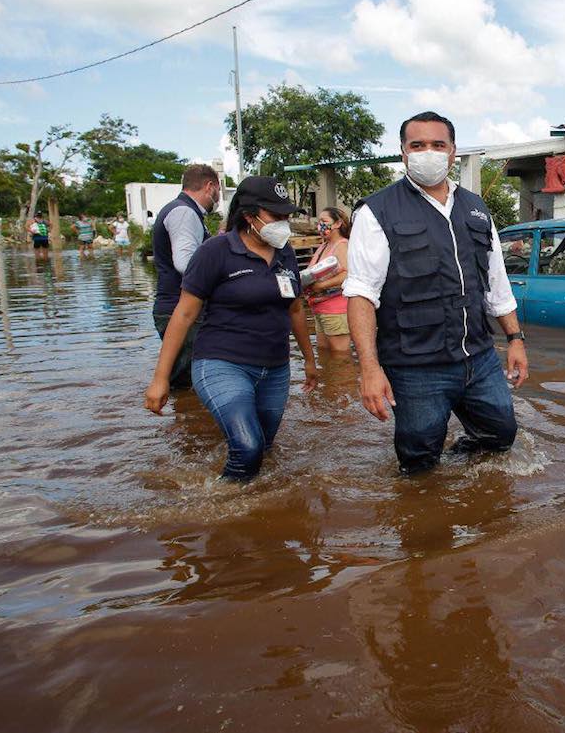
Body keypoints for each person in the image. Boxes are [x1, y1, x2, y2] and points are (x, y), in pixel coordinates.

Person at [344, 111, 528, 475]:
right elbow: (361, 294)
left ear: (452, 151)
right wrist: (369, 368)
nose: (428, 152)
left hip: (478, 357)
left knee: (501, 434)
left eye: (437, 145)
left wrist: (516, 338)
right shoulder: (376, 211)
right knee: (419, 459)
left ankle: (467, 480)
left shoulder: (475, 208)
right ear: (403, 153)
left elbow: (496, 282)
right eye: (418, 145)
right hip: (415, 366)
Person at [144, 176, 317, 482]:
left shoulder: (285, 253)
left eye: (287, 216)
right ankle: (222, 511)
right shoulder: (215, 252)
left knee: (263, 447)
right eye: (276, 217)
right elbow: (183, 315)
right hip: (222, 363)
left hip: (275, 369)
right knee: (248, 447)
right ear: (250, 216)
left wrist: (310, 360)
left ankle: (256, 512)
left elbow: (294, 308)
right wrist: (161, 379)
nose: (285, 224)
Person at [151, 164, 220, 388]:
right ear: (210, 186)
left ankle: (186, 421)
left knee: (189, 384)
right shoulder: (184, 212)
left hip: (175, 307)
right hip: (181, 310)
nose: (217, 197)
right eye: (218, 190)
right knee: (189, 386)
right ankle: (188, 422)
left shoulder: (178, 209)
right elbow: (184, 263)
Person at [306, 207, 352, 353]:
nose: (320, 225)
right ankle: (329, 376)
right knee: (324, 353)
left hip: (336, 310)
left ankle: (346, 377)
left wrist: (321, 286)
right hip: (320, 308)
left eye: (324, 221)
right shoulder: (324, 245)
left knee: (340, 357)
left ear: (337, 224)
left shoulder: (342, 245)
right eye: (319, 221)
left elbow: (347, 274)